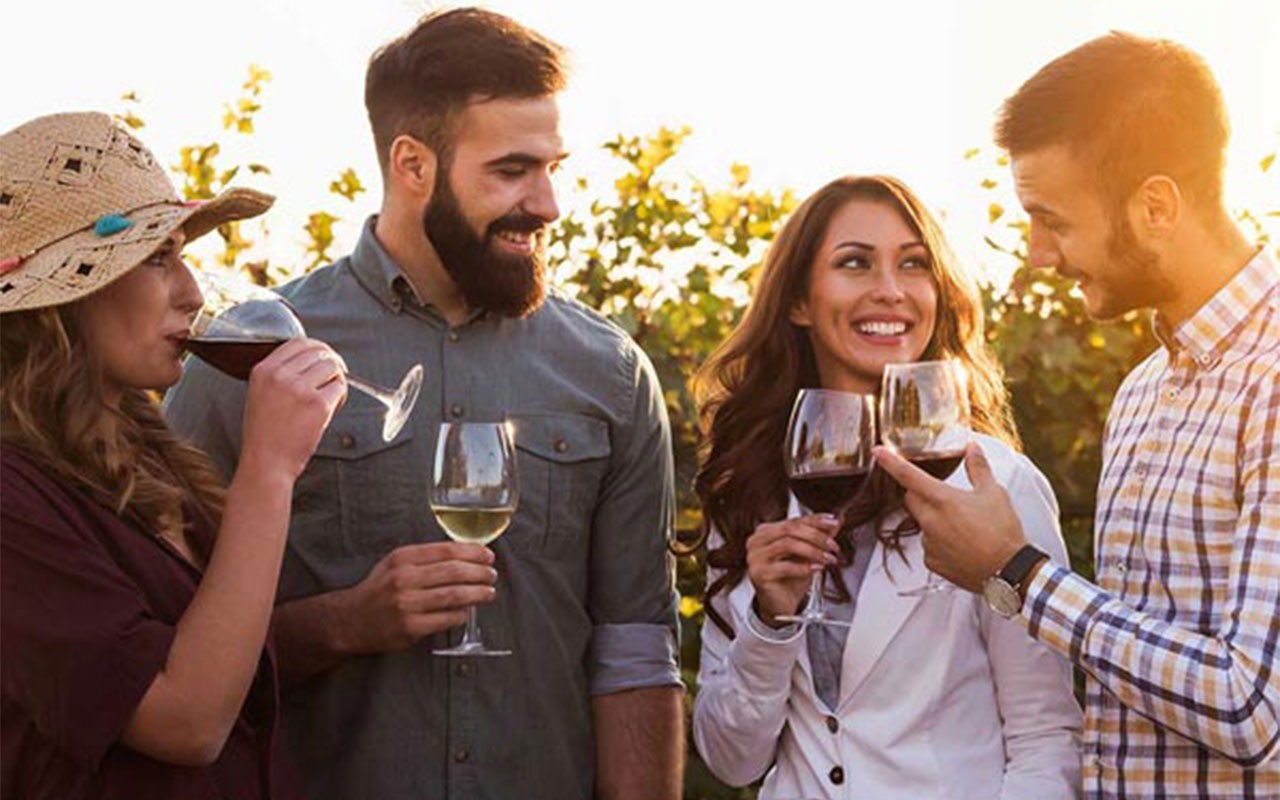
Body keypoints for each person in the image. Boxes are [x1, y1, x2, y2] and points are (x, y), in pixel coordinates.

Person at [164, 8, 684, 800]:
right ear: (412, 164)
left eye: (554, 168)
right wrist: (343, 624)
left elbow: (637, 652)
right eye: (512, 170)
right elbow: (162, 639)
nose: (546, 203)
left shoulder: (609, 372)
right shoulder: (256, 356)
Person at [872, 32, 1280, 800]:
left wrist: (1016, 573)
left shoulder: (1273, 382)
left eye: (1052, 219)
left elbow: (1254, 708)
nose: (1037, 255)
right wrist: (1001, 583)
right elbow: (1122, 659)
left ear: (1155, 204)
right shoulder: (1144, 391)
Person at [690, 174, 1082, 799]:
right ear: (798, 302)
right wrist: (769, 621)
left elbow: (1045, 738)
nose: (891, 291)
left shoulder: (995, 483)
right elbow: (731, 760)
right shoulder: (750, 491)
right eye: (855, 263)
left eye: (914, 265)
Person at [0, 112, 346, 798]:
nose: (192, 292)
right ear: (66, 297)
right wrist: (269, 471)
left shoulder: (152, 460)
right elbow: (187, 723)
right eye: (158, 259)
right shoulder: (11, 499)